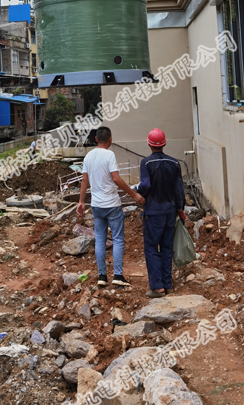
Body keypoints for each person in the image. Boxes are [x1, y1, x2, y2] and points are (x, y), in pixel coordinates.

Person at [77, 126, 145, 287]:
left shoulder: (88, 156)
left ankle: (102, 276)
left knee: (99, 240)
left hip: (96, 205)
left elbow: (84, 181)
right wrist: (133, 194)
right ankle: (118, 275)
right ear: (110, 140)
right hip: (112, 205)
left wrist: (81, 201)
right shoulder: (109, 155)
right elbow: (115, 178)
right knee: (118, 239)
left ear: (95, 139)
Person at [138, 128, 185, 298]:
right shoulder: (174, 163)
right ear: (164, 143)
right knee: (166, 248)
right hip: (170, 212)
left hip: (153, 213)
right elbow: (179, 189)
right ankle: (167, 284)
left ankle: (157, 287)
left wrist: (137, 193)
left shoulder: (146, 163)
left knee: (151, 248)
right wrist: (180, 208)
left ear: (149, 144)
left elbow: (145, 185)